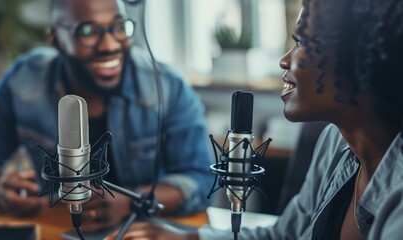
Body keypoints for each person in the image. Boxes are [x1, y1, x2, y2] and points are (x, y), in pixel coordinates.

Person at [105, 0, 403, 239]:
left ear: (352, 58)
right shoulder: (335, 142)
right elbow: (286, 234)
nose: (284, 60)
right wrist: (187, 239)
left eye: (300, 41)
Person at [0, 0, 213, 234]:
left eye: (118, 27)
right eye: (87, 31)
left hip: (146, 230)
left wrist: (129, 202)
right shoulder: (23, 80)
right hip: (58, 225)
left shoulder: (168, 85)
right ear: (55, 38)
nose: (109, 45)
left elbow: (200, 180)